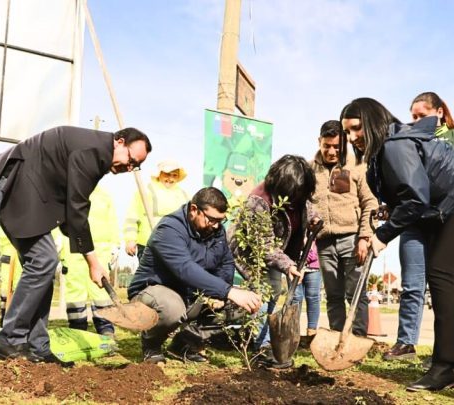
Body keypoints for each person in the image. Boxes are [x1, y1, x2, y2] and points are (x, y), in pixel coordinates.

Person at [340, 97, 454, 392]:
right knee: (441, 276)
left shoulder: (394, 144)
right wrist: (390, 210)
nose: (352, 138)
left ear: (374, 122)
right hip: (453, 206)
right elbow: (412, 192)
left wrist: (382, 235)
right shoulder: (387, 147)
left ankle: (446, 367)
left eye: (357, 129)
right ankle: (447, 365)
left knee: (442, 274)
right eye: (347, 132)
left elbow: (415, 198)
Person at [0, 126, 151, 368]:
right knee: (43, 261)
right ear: (119, 142)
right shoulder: (93, 152)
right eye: (130, 160)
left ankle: (37, 346)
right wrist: (93, 263)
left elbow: (71, 214)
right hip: (11, 185)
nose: (129, 168)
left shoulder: (97, 154)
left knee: (44, 265)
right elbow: (77, 211)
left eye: (135, 166)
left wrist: (89, 258)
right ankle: (11, 339)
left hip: (30, 192)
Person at [384, 92, 454, 361]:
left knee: (445, 283)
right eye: (413, 116)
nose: (416, 120)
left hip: (446, 220)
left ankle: (446, 351)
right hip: (415, 220)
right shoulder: (409, 141)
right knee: (411, 284)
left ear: (440, 113)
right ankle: (406, 343)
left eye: (422, 115)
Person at [128, 187, 262, 364]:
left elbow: (225, 262)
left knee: (242, 305)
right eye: (212, 219)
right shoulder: (169, 229)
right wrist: (228, 290)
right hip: (152, 293)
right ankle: (151, 343)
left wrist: (221, 294)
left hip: (189, 294)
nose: (216, 225)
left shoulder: (215, 230)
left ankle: (184, 343)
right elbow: (185, 269)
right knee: (171, 308)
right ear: (194, 210)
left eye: (221, 220)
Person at [228, 155, 316, 367]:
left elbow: (307, 207)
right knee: (262, 292)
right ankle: (261, 347)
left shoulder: (298, 193)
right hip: (252, 252)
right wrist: (288, 265)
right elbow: (263, 246)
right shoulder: (258, 201)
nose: (297, 199)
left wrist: (314, 219)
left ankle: (265, 341)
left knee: (274, 291)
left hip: (280, 251)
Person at [310, 120, 377, 337]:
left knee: (356, 293)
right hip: (324, 242)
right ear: (319, 141)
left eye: (336, 147)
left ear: (344, 144)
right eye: (326, 145)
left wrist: (365, 237)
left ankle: (357, 338)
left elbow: (370, 203)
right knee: (333, 295)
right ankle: (336, 337)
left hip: (353, 239)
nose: (331, 151)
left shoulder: (358, 166)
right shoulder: (310, 170)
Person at [59, 186, 118, 337]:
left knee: (100, 288)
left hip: (101, 249)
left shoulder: (104, 195)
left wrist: (115, 244)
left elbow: (112, 220)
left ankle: (105, 328)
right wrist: (57, 239)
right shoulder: (67, 193)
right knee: (75, 288)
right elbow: (57, 216)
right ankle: (77, 328)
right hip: (72, 246)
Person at [123, 159, 189, 259]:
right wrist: (130, 239)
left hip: (174, 246)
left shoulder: (184, 195)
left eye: (174, 175)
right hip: (148, 244)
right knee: (150, 275)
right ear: (159, 174)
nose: (170, 178)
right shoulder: (146, 191)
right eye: (167, 174)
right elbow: (132, 217)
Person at [293, 241, 321, 337]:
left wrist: (304, 264)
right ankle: (293, 333)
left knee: (313, 297)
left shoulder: (316, 228)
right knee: (296, 298)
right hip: (294, 266)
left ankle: (311, 333)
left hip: (313, 266)